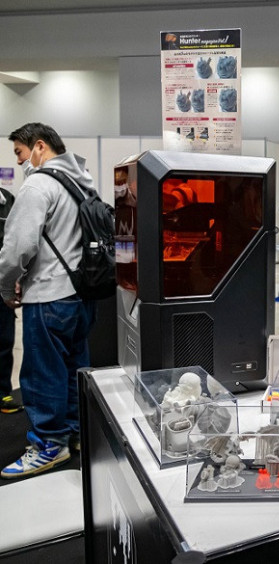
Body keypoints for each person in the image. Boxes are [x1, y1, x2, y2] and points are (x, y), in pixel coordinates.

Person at [0, 123, 97, 479]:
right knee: (73, 369)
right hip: (81, 296)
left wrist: (5, 288)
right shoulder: (83, 182)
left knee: (42, 375)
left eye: (20, 152)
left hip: (48, 297)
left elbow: (18, 247)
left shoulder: (38, 185)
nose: (19, 161)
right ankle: (75, 434)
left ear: (39, 146)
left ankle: (48, 445)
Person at [0, 185, 20, 414]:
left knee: (4, 341)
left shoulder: (7, 199)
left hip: (2, 282)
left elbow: (15, 241)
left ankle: (2, 393)